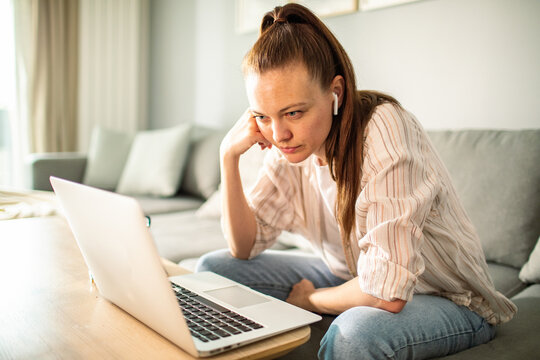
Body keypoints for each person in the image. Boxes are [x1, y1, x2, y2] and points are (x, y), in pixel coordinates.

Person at [196, 4, 517, 359]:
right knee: (214, 272)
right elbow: (244, 247)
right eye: (262, 116)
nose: (279, 133)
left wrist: (311, 299)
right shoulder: (287, 149)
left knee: (354, 334)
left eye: (294, 112)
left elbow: (387, 292)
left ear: (336, 93)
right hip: (349, 274)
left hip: (446, 298)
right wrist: (228, 157)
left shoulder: (383, 128)